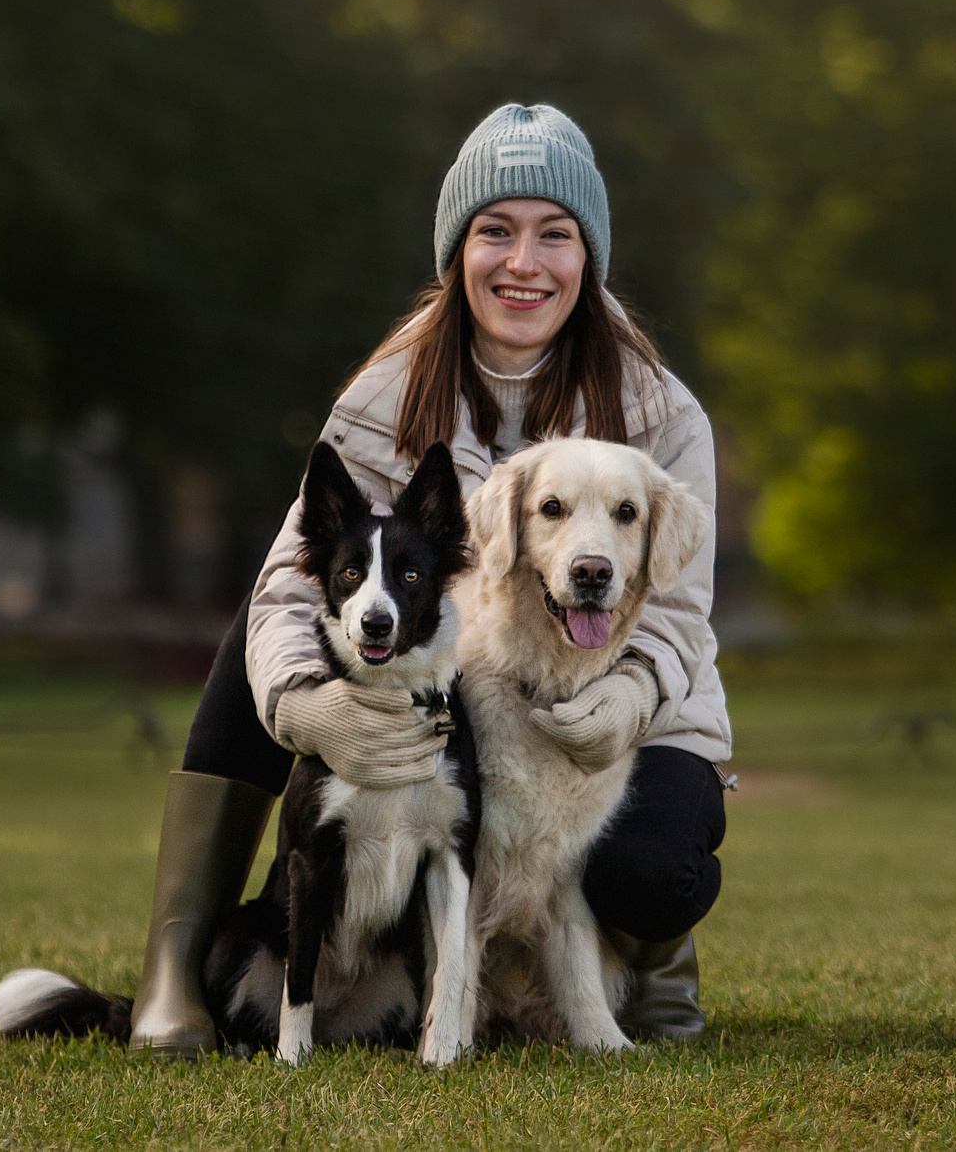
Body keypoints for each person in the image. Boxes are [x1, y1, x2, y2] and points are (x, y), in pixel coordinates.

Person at [125, 103, 731, 1056]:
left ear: (590, 255)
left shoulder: (661, 408)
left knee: (650, 861)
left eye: (555, 233)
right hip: (464, 697)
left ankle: (647, 969)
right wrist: (307, 706)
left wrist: (634, 689)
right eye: (495, 230)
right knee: (263, 625)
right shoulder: (387, 391)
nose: (523, 261)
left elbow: (684, 608)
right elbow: (294, 583)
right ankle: (175, 962)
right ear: (457, 250)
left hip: (625, 712)